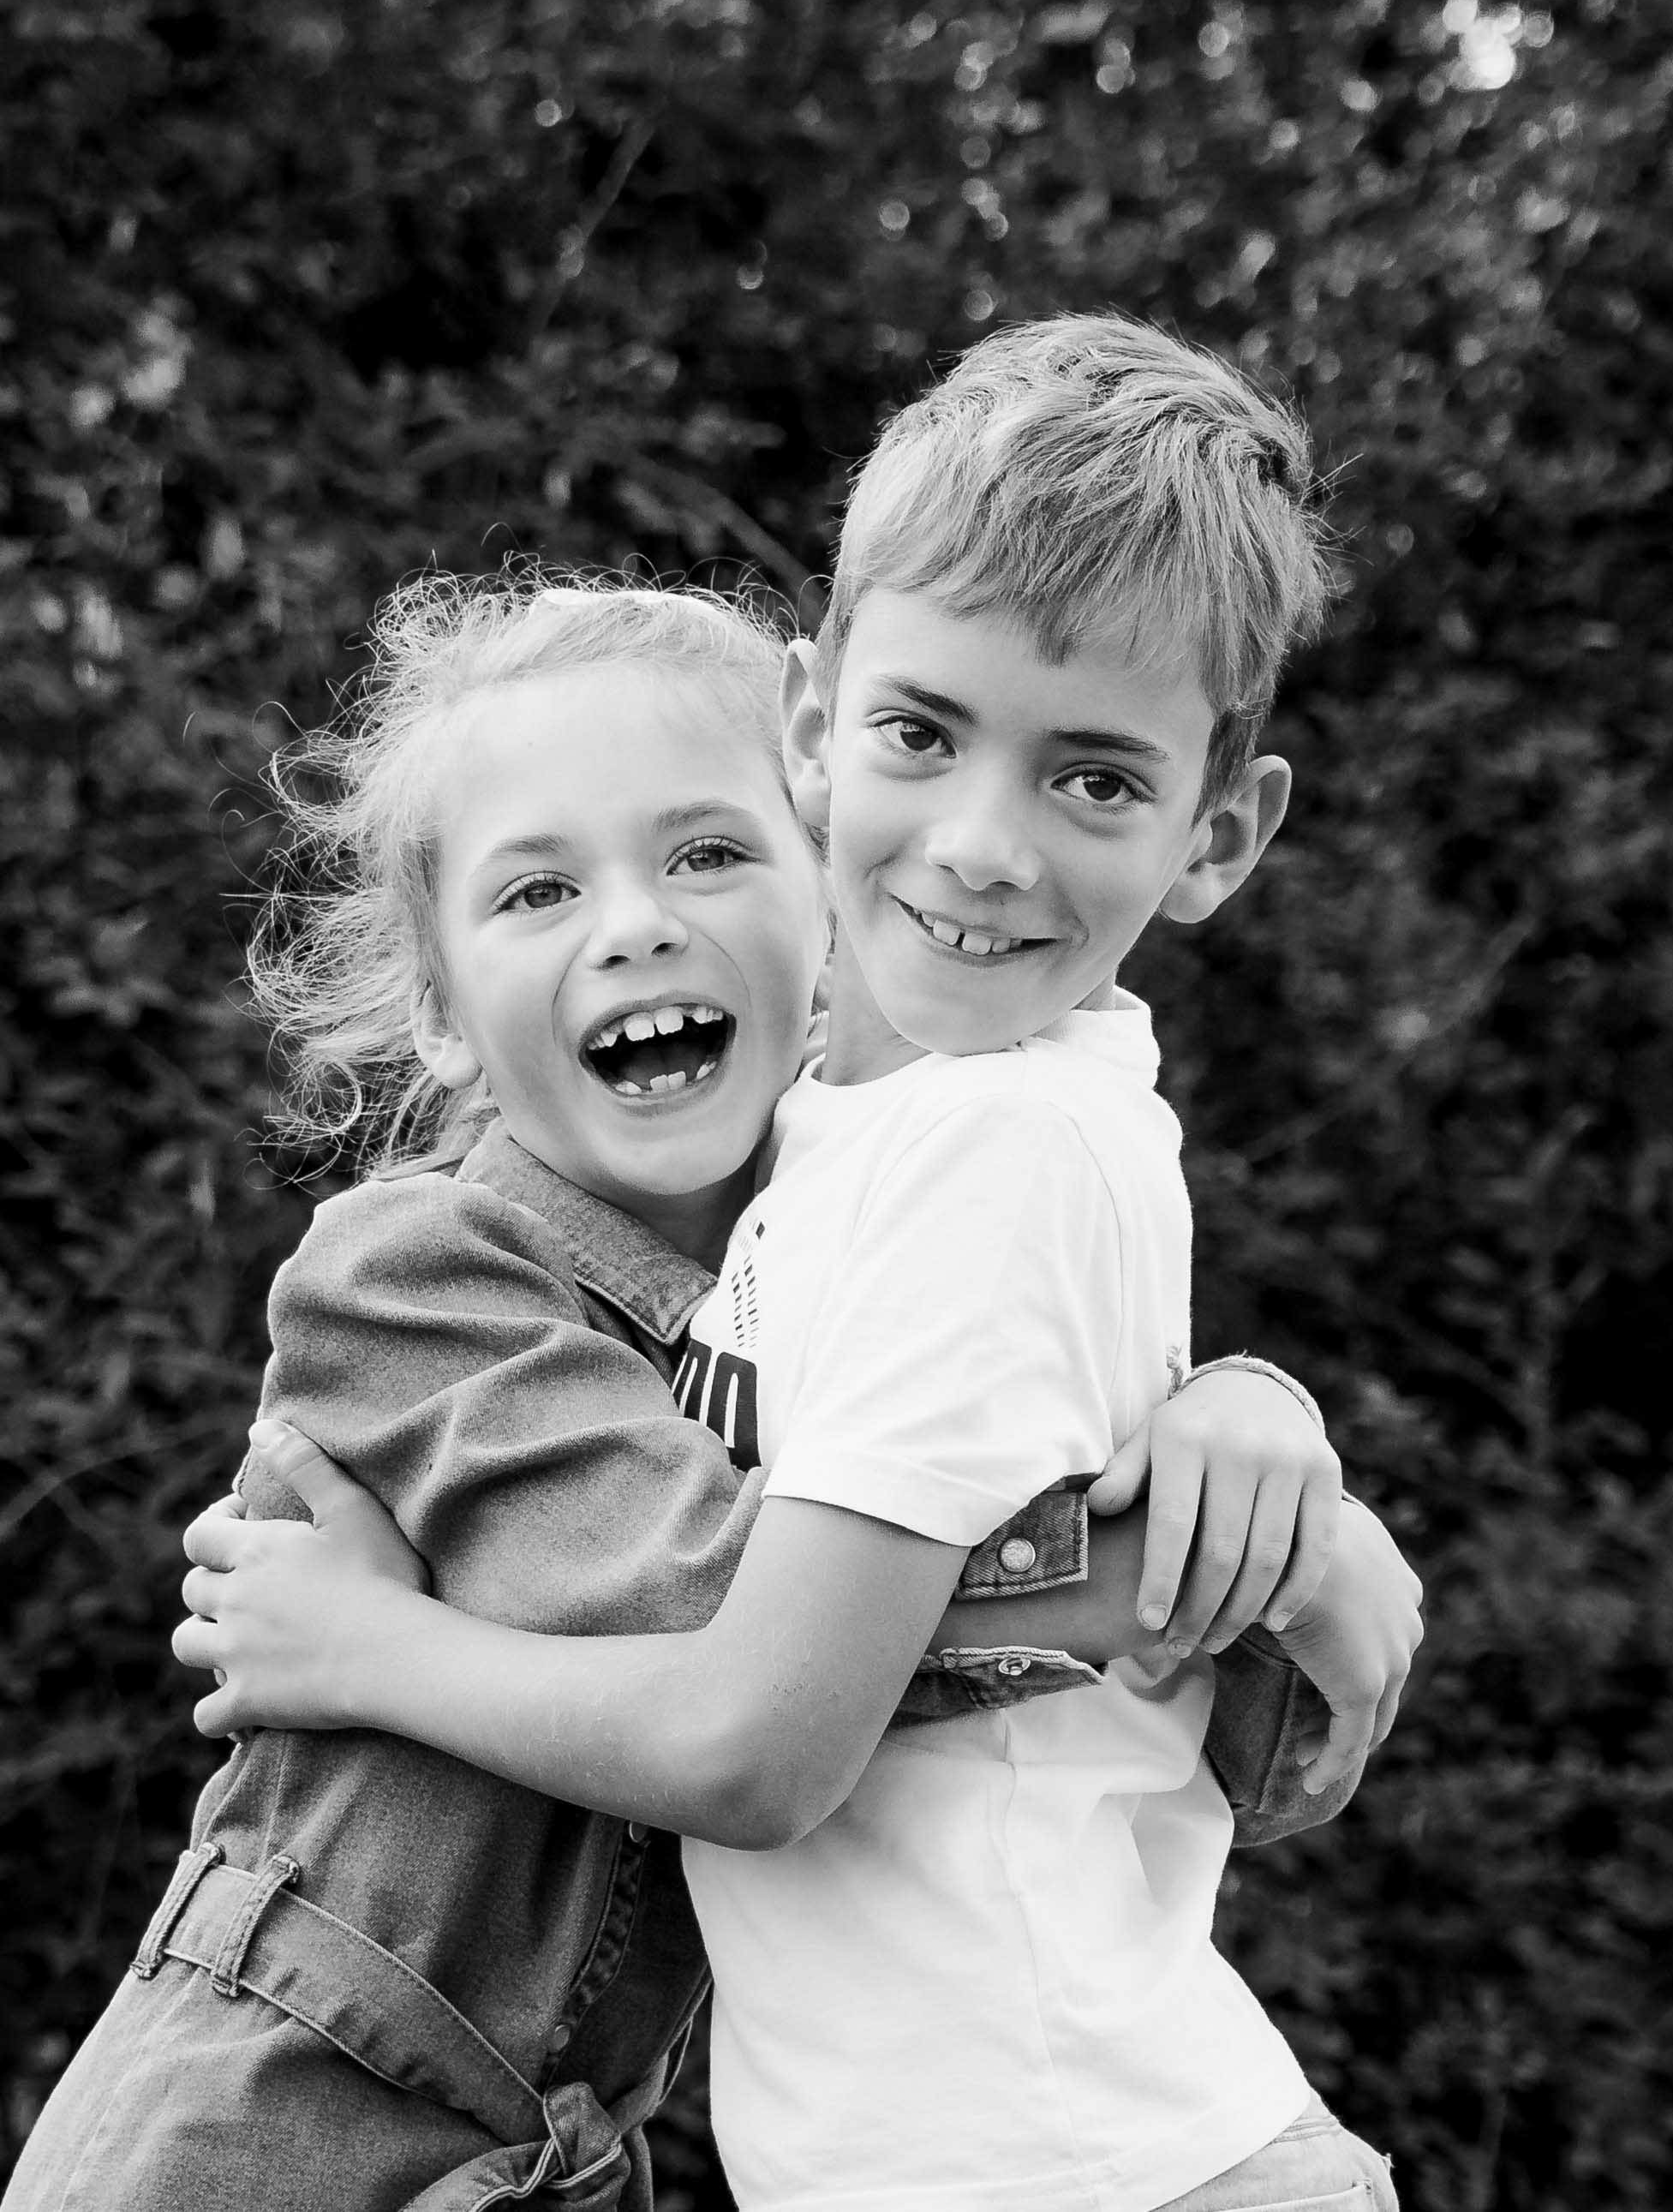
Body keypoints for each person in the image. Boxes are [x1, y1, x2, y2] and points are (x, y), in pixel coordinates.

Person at [179, 320, 1421, 2212]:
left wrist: (365, 1649)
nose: (987, 848)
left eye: (1094, 779)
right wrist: (1250, 1537)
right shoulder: (747, 1190)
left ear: (1218, 835)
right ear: (820, 723)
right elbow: (870, 1579)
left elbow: (763, 1718)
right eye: (926, 736)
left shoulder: (976, 1143)